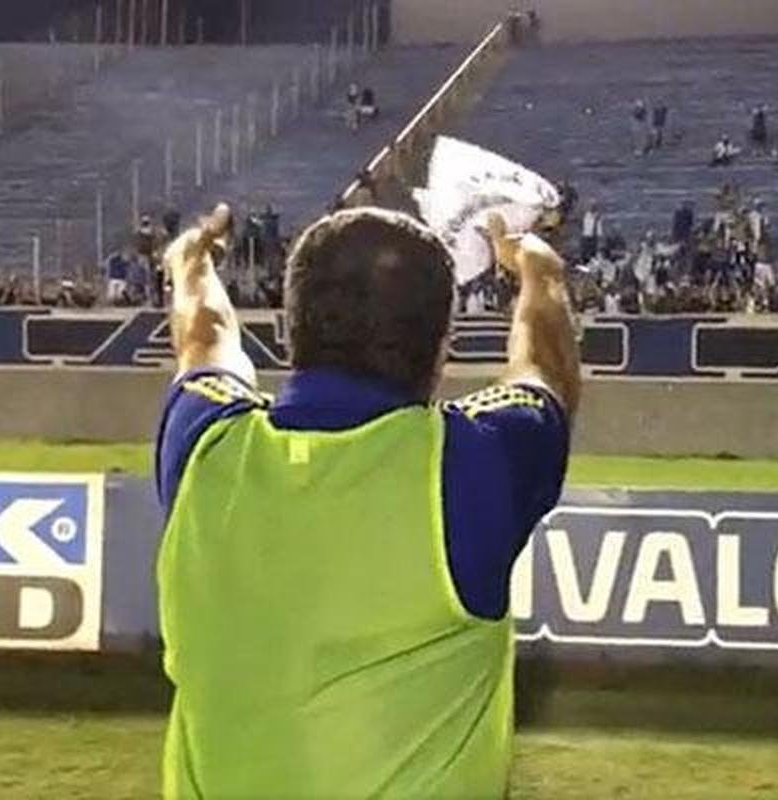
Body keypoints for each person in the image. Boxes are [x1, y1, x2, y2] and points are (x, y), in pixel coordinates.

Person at [156, 204, 580, 797]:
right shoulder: (470, 467)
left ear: (288, 329)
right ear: (441, 349)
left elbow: (203, 334)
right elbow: (545, 370)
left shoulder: (204, 450)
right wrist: (539, 270)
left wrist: (190, 258)